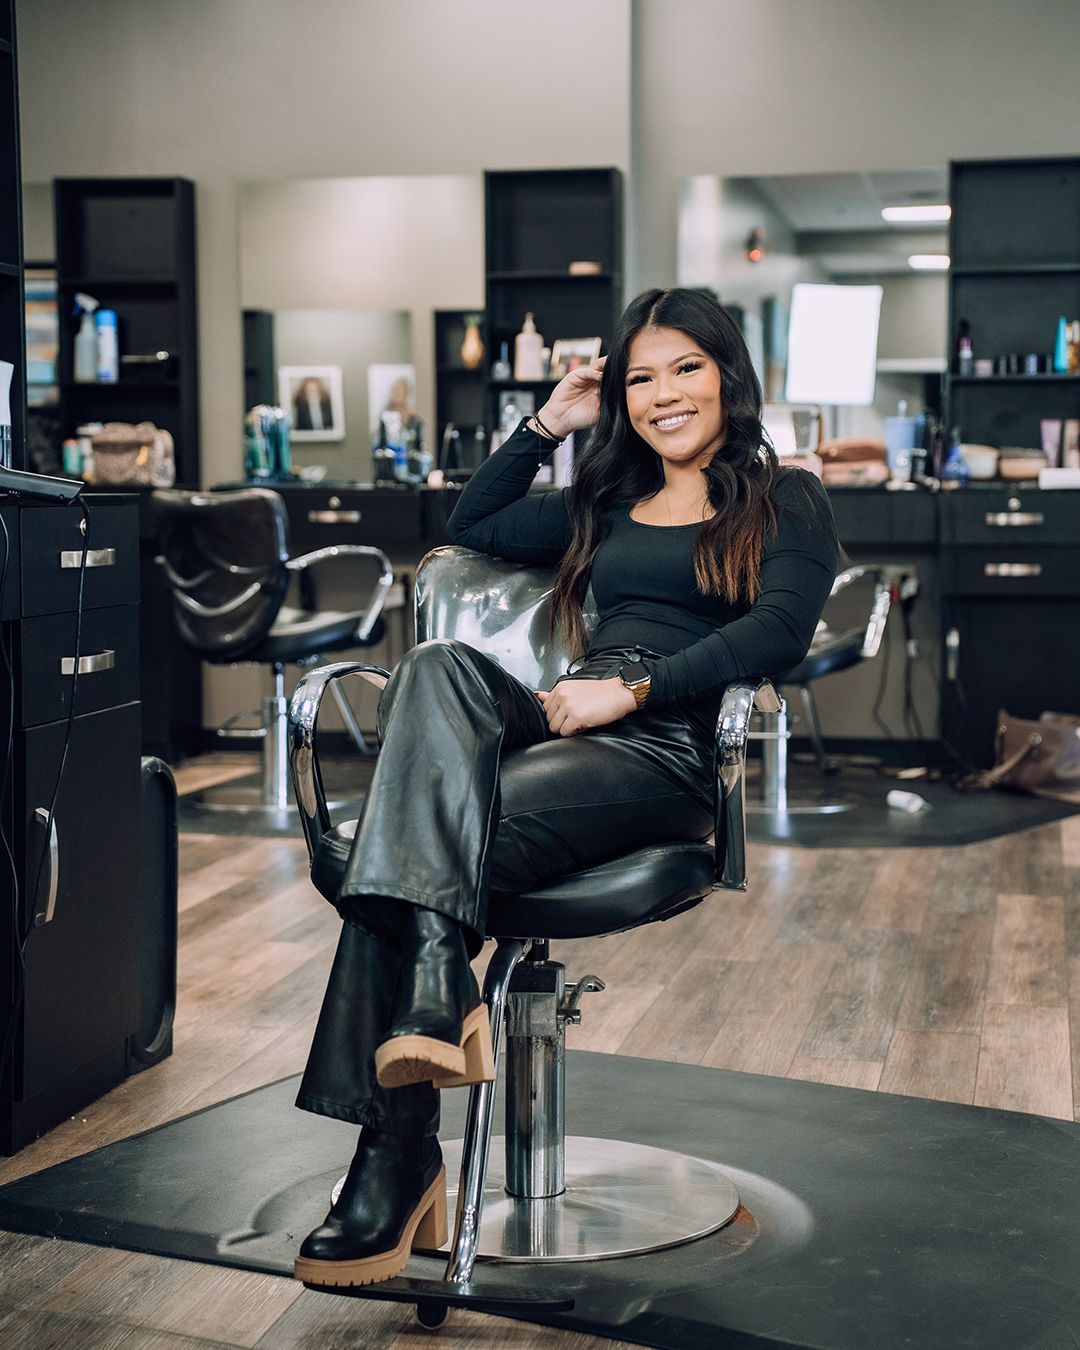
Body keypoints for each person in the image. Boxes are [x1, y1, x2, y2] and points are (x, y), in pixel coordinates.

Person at [293, 287, 839, 1288]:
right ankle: (433, 990)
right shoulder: (607, 502)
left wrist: (633, 689)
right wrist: (546, 422)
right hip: (566, 721)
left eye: (686, 368)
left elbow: (777, 633)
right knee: (435, 667)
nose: (665, 394)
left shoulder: (784, 497)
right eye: (641, 378)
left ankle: (394, 1154)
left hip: (662, 747)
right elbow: (470, 522)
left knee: (397, 848)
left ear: (728, 374)